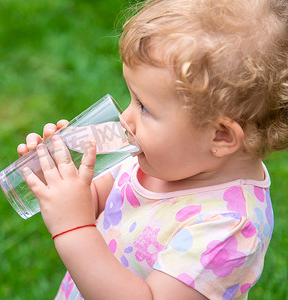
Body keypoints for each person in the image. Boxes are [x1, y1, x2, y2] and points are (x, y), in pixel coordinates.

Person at [16, 0, 287, 299]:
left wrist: (74, 229)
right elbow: (98, 200)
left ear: (220, 136)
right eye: (132, 98)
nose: (125, 119)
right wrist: (61, 182)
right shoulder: (160, 158)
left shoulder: (226, 228)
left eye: (144, 107)